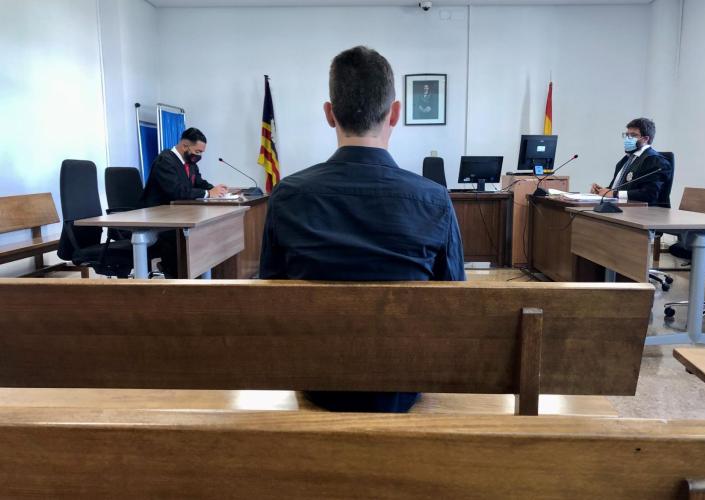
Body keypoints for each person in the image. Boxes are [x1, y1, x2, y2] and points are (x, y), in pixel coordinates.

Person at [259, 46, 465, 413]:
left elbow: (272, 297)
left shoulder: (287, 196)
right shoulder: (434, 200)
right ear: (395, 113)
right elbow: (455, 306)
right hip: (403, 383)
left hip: (317, 381)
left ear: (329, 114)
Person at [141, 127, 228, 277]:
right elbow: (176, 192)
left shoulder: (190, 162)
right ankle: (176, 276)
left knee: (202, 233)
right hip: (160, 219)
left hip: (178, 216)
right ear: (185, 145)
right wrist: (208, 193)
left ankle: (197, 277)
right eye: (198, 151)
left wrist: (216, 190)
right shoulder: (165, 161)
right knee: (183, 240)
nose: (199, 156)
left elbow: (199, 182)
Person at [590, 118, 672, 206]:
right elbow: (617, 189)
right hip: (619, 207)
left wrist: (614, 194)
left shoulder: (656, 161)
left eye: (633, 135)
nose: (628, 139)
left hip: (643, 212)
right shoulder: (625, 160)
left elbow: (649, 194)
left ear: (645, 139)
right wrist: (602, 191)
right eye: (626, 135)